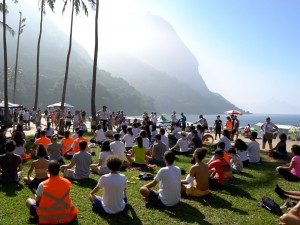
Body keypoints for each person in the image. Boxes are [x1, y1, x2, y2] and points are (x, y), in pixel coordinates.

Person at [26, 160, 78, 224]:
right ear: (59, 170)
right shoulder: (67, 182)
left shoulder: (42, 185)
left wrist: (37, 197)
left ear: (48, 170)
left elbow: (37, 201)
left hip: (48, 219)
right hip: (68, 217)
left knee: (29, 201)